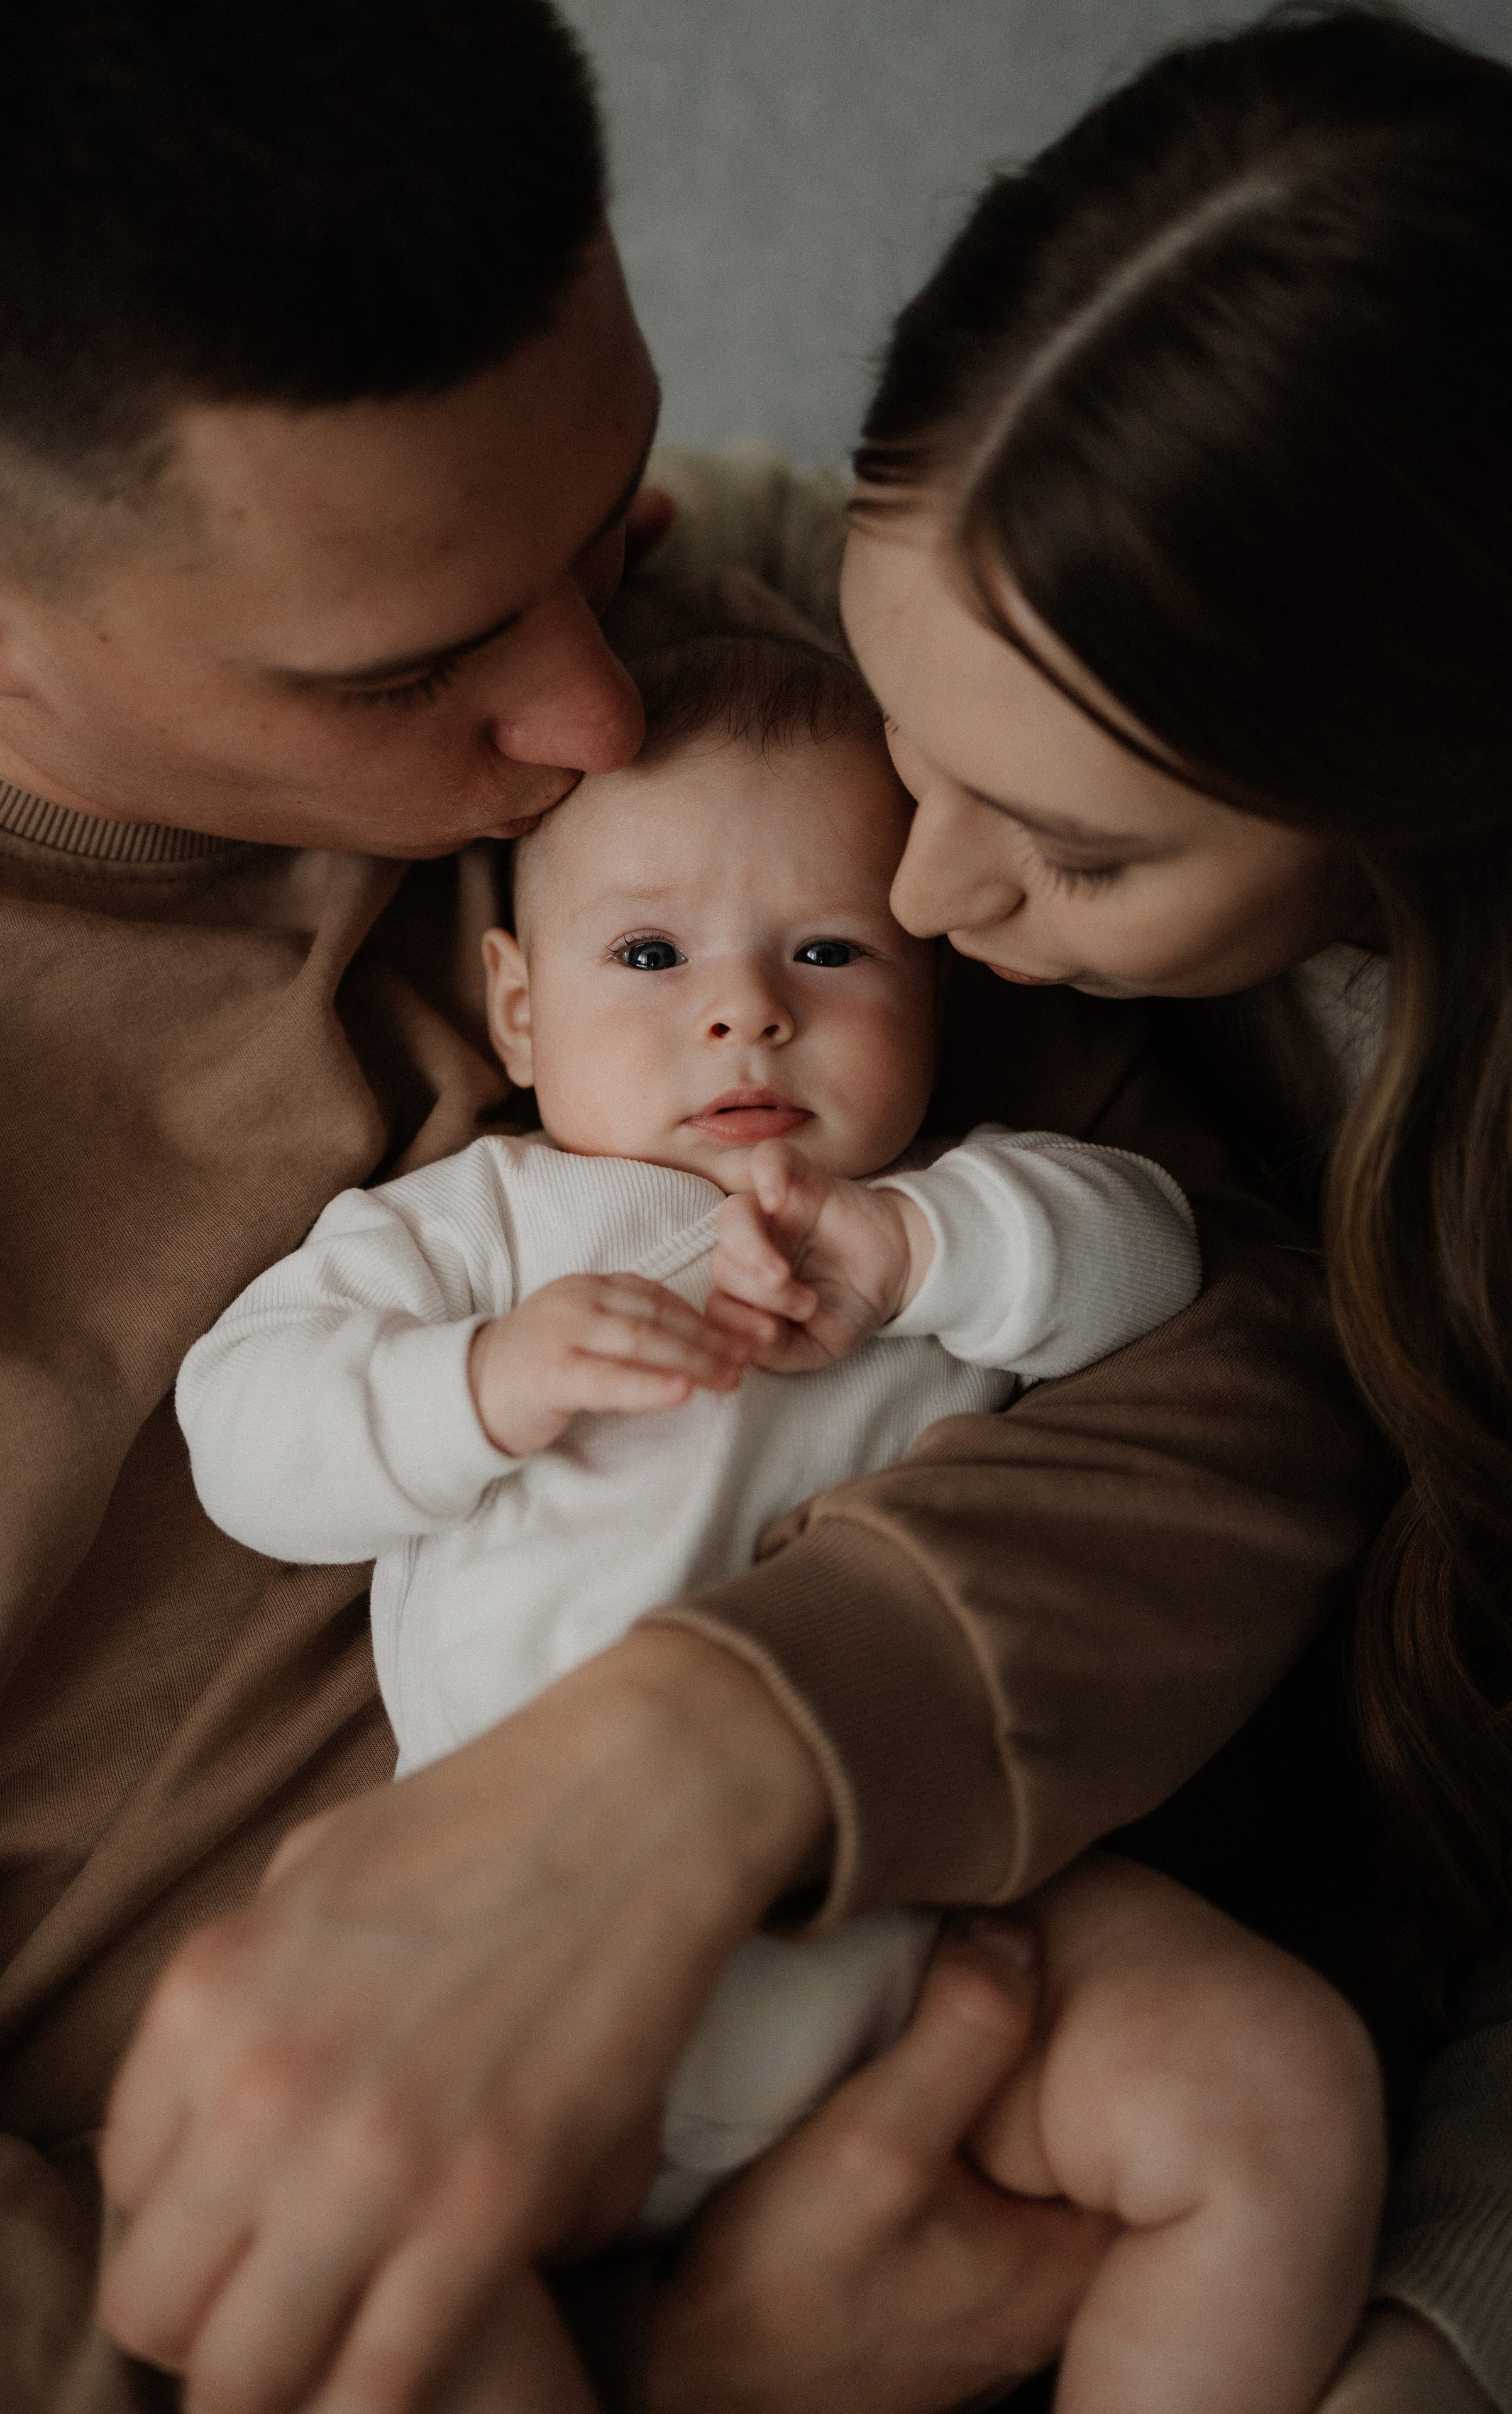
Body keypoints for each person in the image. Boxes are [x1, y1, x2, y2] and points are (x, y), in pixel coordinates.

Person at [0, 2, 1387, 2408]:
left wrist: (718, 1754)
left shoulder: (753, 732)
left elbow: (1266, 1345)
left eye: (612, 533)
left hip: (952, 1966)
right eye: (422, 668)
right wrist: (677, 2367)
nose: (606, 715)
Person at [175, 585, 1383, 2413]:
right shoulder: (481, 1229)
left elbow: (1158, 1266)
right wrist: (479, 1384)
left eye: (826, 955)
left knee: (1273, 2084)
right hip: (523, 1996)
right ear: (517, 1009)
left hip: (938, 1919)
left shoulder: (945, 1210)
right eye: (648, 959)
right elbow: (245, 1437)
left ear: (931, 988)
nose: (743, 1016)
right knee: (383, 2333)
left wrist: (913, 1255)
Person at [623, 5, 1512, 2410]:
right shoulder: (927, 601)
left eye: (1083, 855)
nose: (920, 883)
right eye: (908, 747)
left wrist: (1437, 2334)